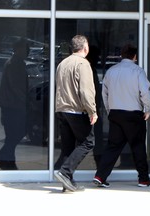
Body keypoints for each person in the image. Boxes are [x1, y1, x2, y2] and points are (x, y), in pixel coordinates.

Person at [93, 44, 150, 187]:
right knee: (138, 146)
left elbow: (104, 93)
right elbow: (144, 92)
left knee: (112, 146)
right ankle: (143, 179)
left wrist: (109, 110)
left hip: (115, 114)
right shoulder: (138, 71)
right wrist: (148, 109)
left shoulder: (111, 71)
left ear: (121, 55)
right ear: (135, 56)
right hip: (133, 115)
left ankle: (100, 176)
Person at [54, 35, 98, 192]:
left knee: (68, 146)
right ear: (85, 48)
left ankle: (67, 183)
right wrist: (92, 111)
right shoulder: (83, 63)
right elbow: (86, 91)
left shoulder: (62, 64)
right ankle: (65, 173)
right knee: (88, 142)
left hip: (62, 109)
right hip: (76, 111)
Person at [0, 38, 29, 170]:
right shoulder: (14, 64)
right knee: (16, 132)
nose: (28, 51)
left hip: (12, 104)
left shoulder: (17, 63)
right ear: (18, 49)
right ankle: (5, 158)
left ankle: (6, 158)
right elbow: (16, 86)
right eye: (26, 49)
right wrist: (26, 101)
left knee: (15, 133)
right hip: (13, 105)